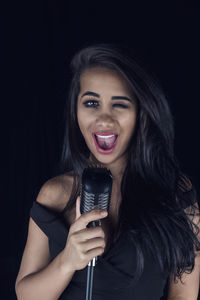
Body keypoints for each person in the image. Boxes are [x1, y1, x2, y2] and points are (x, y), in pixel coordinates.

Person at [15, 43, 200, 300]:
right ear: (75, 111)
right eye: (91, 102)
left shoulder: (176, 194)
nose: (104, 119)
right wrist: (67, 261)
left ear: (141, 113)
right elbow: (25, 295)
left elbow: (183, 294)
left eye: (120, 104)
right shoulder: (55, 194)